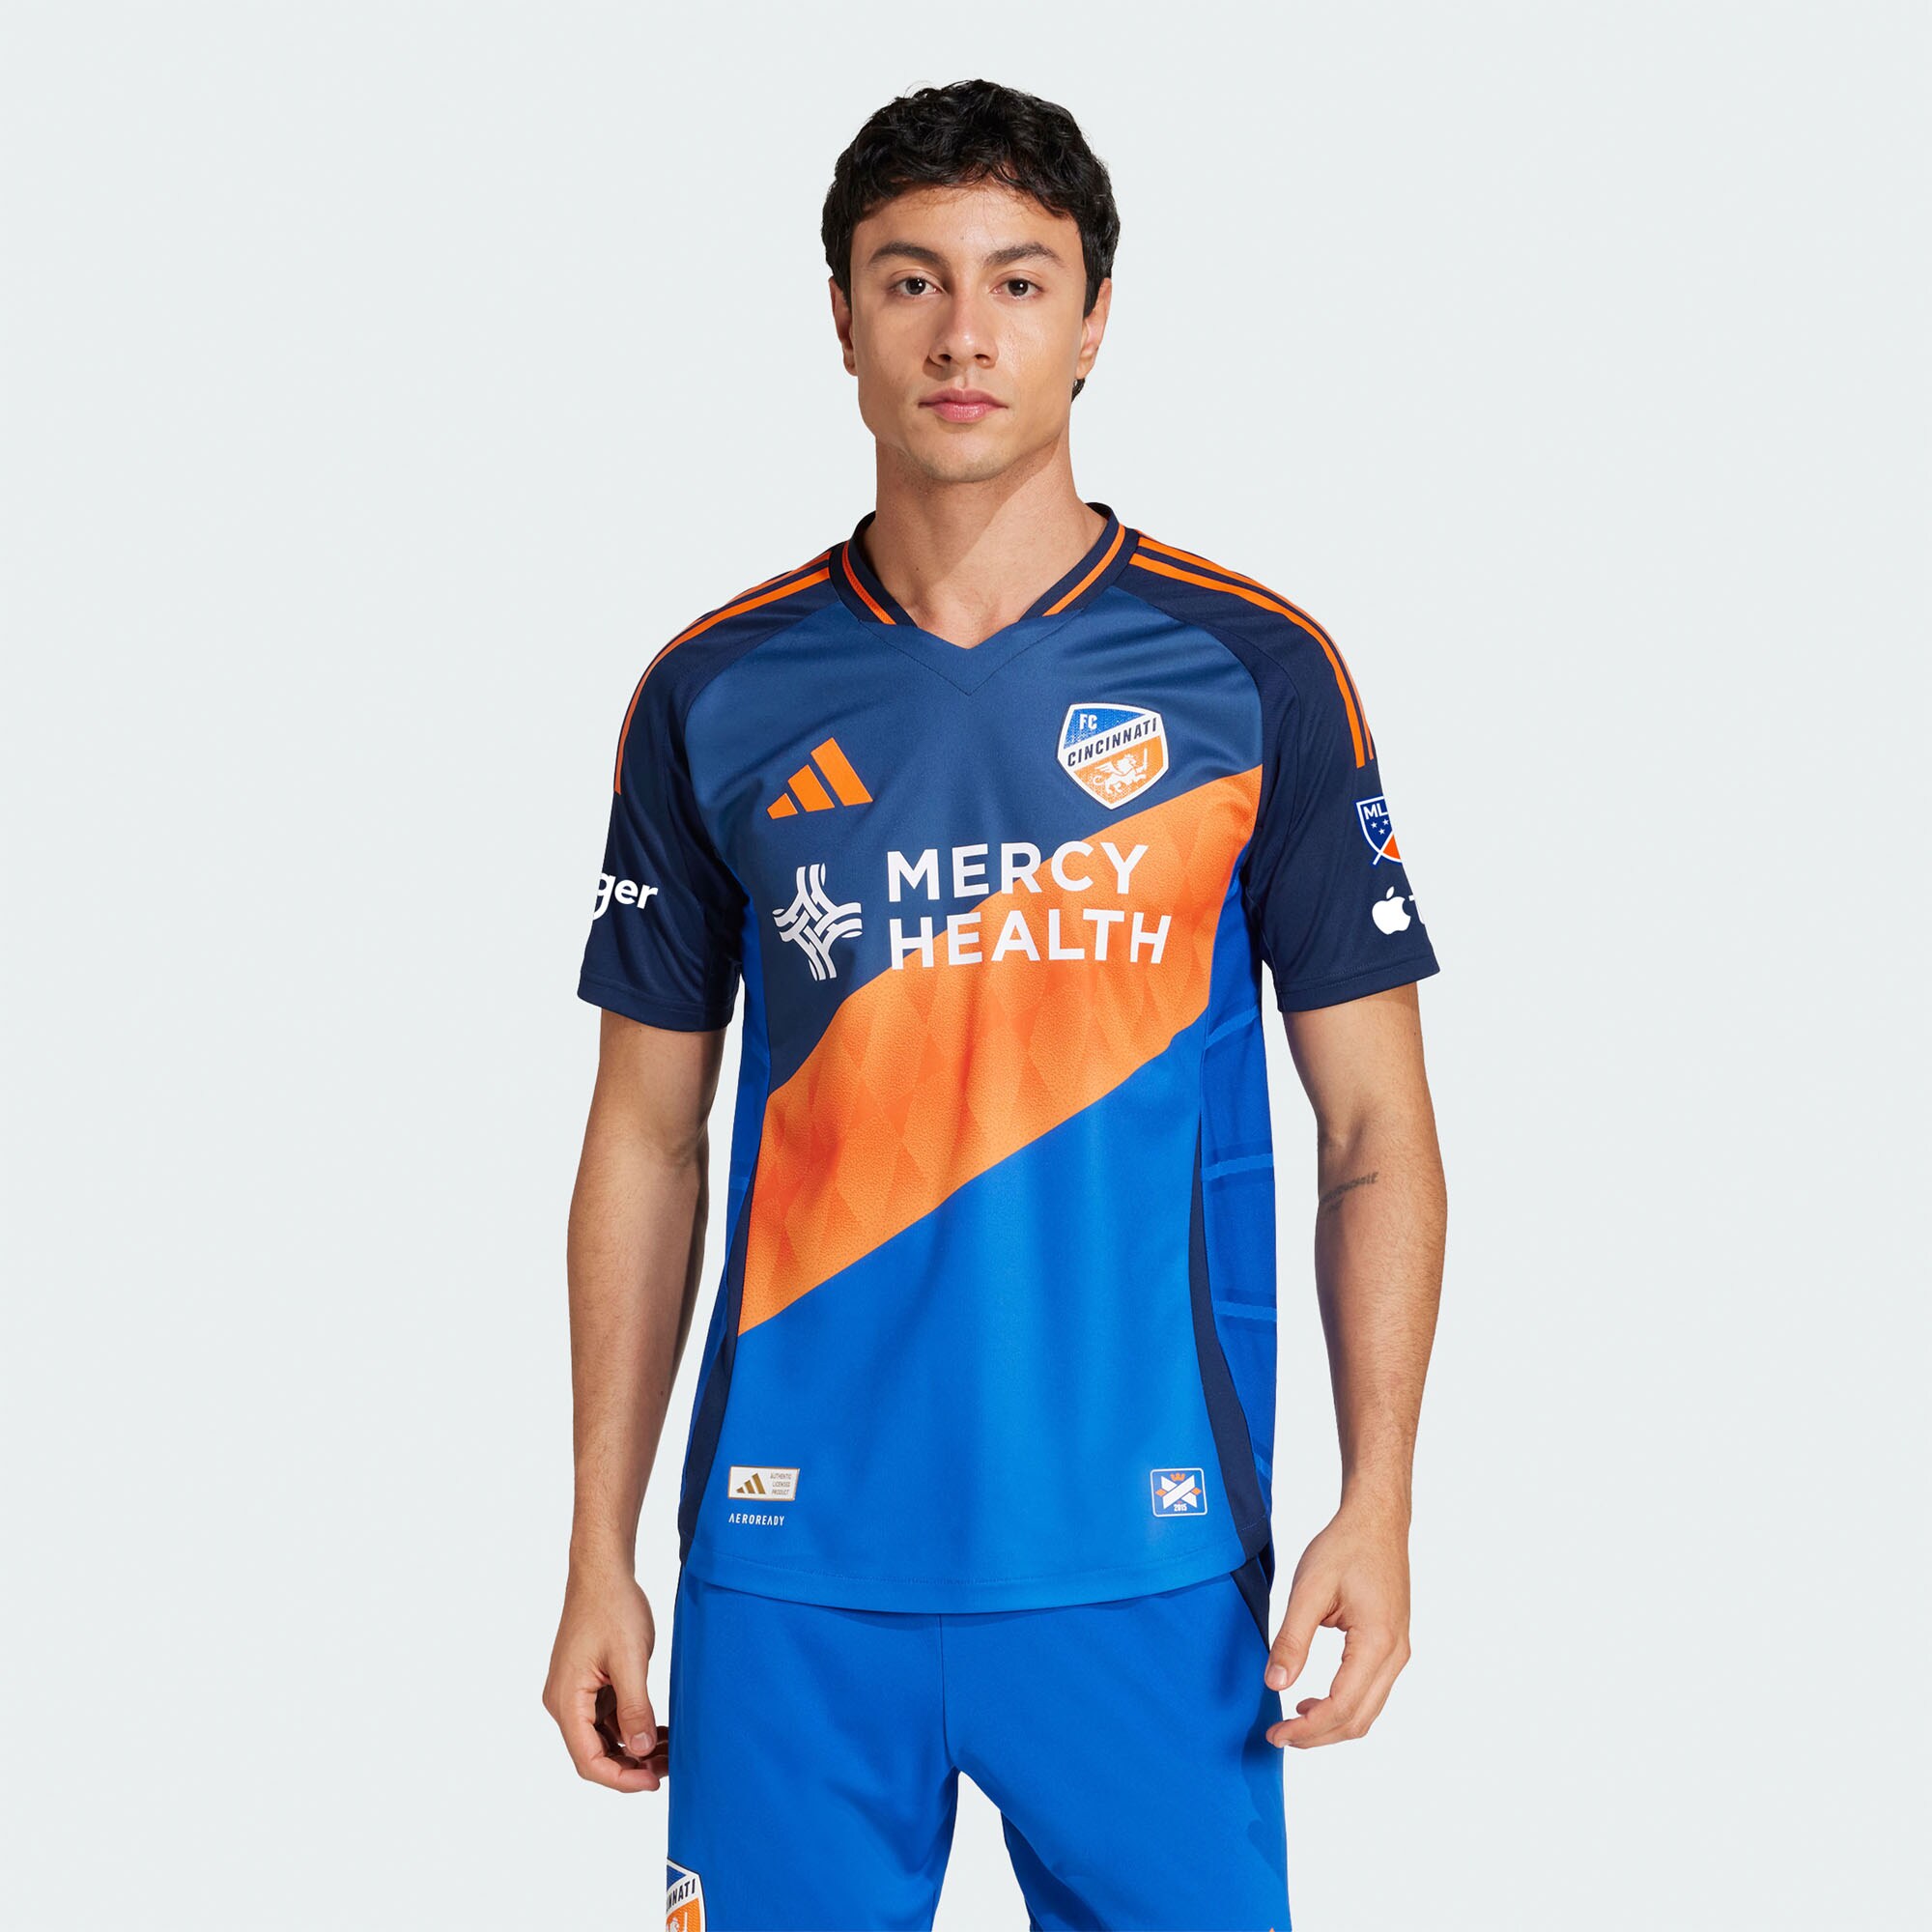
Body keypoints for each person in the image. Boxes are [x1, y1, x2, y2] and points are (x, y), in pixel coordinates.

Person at [543, 76, 1447, 1932]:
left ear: (1094, 319)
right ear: (843, 319)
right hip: (787, 1572)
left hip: (1148, 1569)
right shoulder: (713, 692)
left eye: (1019, 282)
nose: (965, 333)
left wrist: (1380, 1502)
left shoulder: (1252, 672)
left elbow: (1377, 1134)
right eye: (913, 281)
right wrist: (595, 1550)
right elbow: (644, 1137)